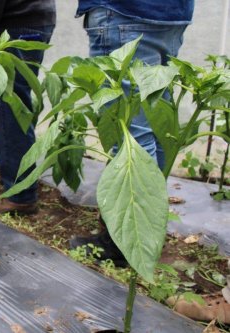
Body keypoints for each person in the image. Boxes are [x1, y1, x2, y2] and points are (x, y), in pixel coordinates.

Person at [69, 0, 195, 264]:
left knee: (129, 132)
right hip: (171, 13)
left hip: (123, 11)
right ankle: (149, 231)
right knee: (156, 124)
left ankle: (123, 245)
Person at [0, 0, 56, 215]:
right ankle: (16, 175)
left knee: (6, 110)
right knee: (16, 105)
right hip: (29, 19)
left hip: (14, 24)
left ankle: (19, 195)